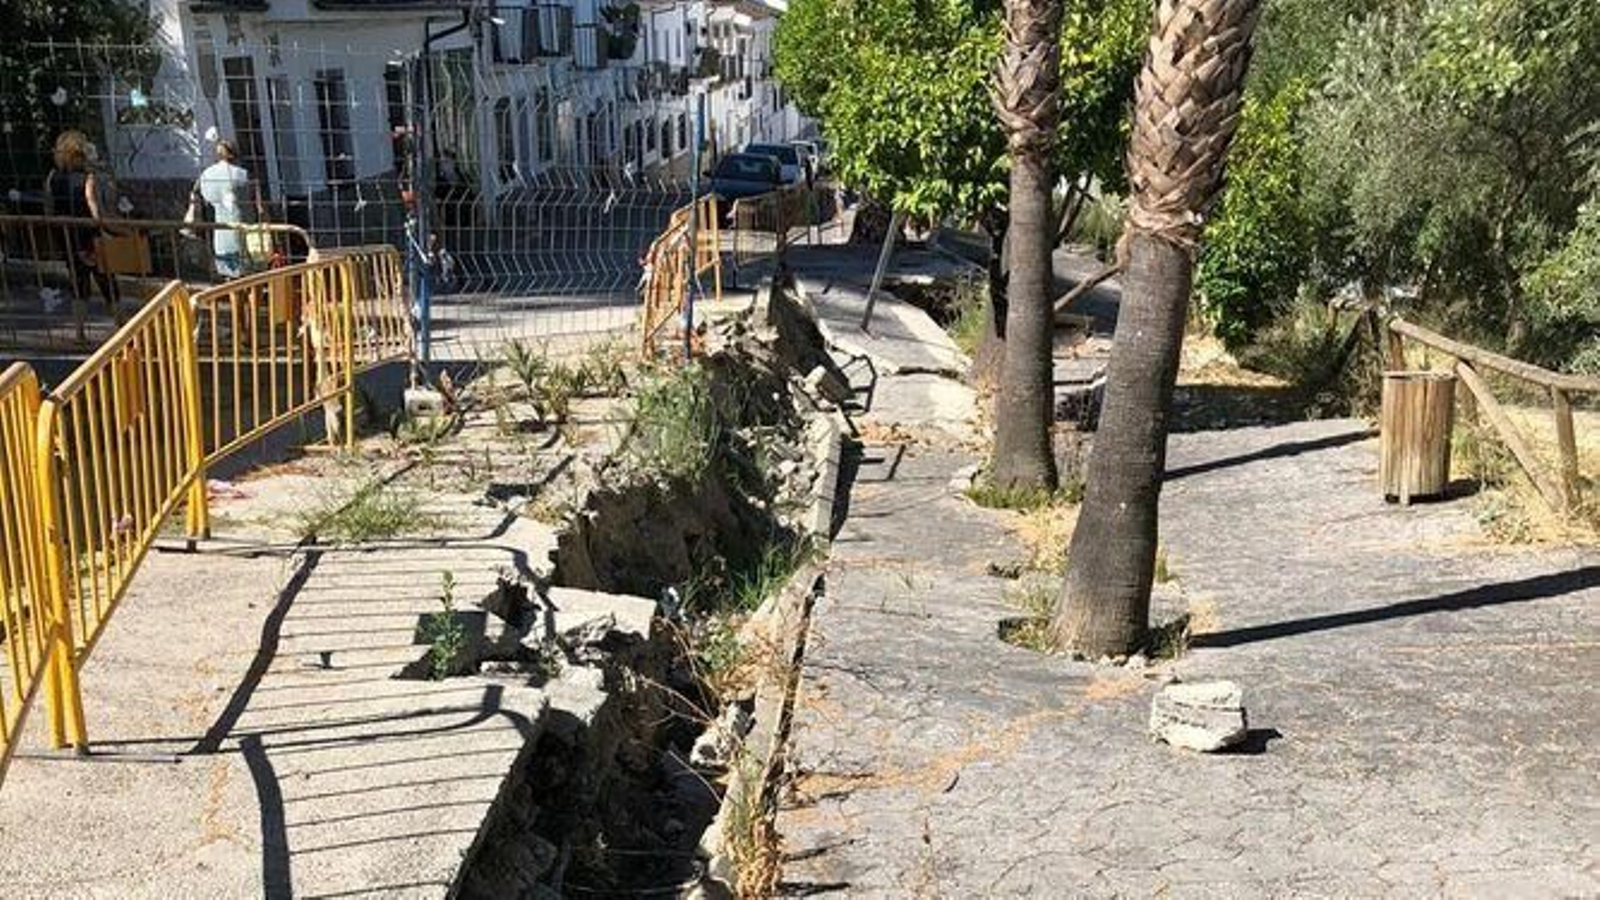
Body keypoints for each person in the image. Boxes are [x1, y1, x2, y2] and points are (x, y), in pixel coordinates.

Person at [44, 130, 120, 336]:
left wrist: (56, 229)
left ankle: (79, 331)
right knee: (106, 280)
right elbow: (92, 202)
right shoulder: (88, 176)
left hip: (66, 234)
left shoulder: (53, 176)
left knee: (78, 283)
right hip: (89, 234)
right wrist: (105, 226)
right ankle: (121, 326)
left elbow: (49, 207)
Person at [188, 140, 263, 278]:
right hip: (245, 231)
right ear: (235, 154)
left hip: (221, 233)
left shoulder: (205, 175)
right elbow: (260, 208)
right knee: (251, 278)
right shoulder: (243, 174)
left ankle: (235, 298)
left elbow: (196, 194)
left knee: (228, 276)